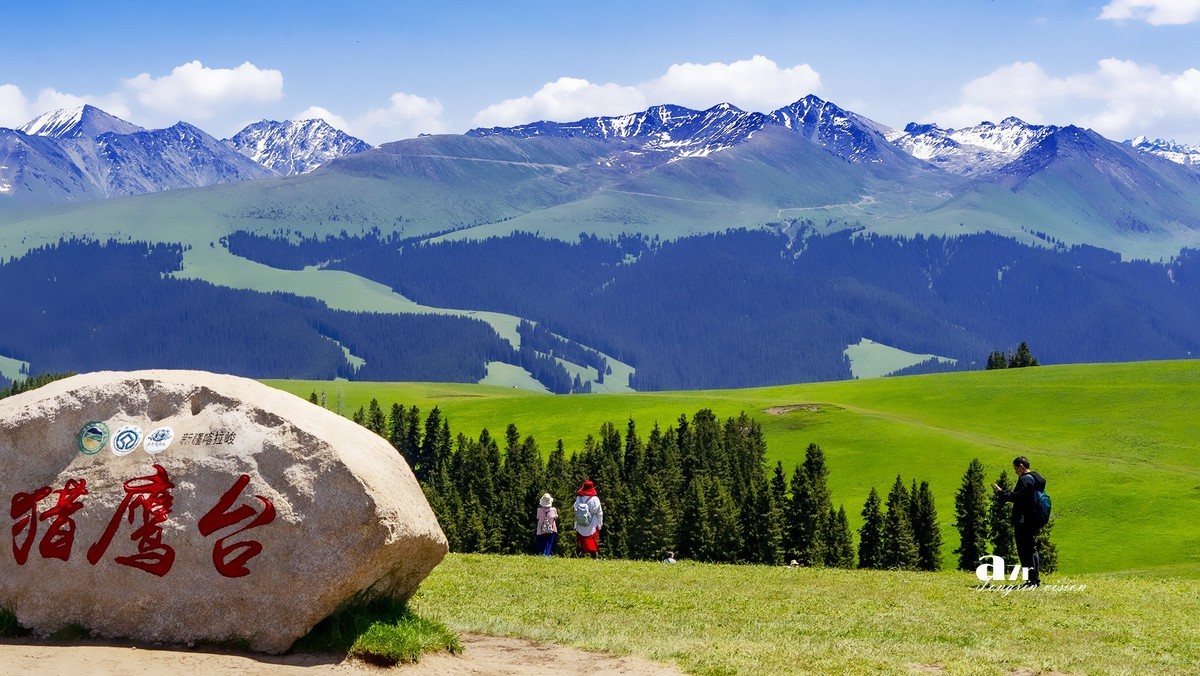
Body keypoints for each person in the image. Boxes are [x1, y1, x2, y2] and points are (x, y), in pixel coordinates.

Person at [993, 456, 1047, 586]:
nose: (1015, 472)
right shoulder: (1038, 479)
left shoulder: (1024, 480)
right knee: (1032, 548)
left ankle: (1030, 580)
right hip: (1034, 518)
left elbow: (1016, 497)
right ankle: (1034, 579)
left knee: (1024, 550)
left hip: (1023, 520)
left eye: (1016, 468)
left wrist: (1001, 493)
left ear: (1022, 466)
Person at [573, 479, 603, 559]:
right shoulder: (595, 499)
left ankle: (578, 556)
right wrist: (600, 523)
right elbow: (599, 512)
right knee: (592, 542)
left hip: (580, 524)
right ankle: (594, 557)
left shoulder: (579, 498)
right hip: (592, 524)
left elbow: (575, 508)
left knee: (580, 541)